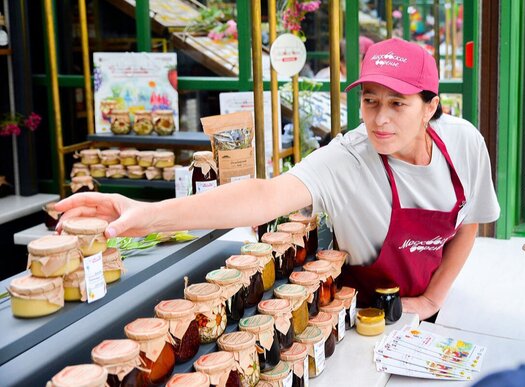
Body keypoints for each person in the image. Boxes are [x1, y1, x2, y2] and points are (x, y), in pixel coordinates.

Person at [55, 38, 500, 320]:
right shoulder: (347, 159)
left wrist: (433, 300)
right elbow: (263, 194)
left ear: (431, 106)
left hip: (435, 308)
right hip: (362, 314)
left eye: (398, 104)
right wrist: (147, 215)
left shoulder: (462, 143)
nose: (379, 120)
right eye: (370, 101)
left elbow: (469, 224)